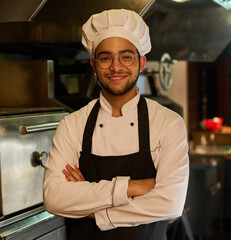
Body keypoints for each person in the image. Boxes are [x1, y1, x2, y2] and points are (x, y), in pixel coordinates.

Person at [43, 9, 189, 240]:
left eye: (126, 56)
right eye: (105, 57)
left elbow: (170, 203)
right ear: (93, 64)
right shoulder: (72, 124)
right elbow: (54, 198)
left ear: (141, 63)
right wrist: (131, 187)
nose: (115, 66)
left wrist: (97, 213)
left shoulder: (168, 123)